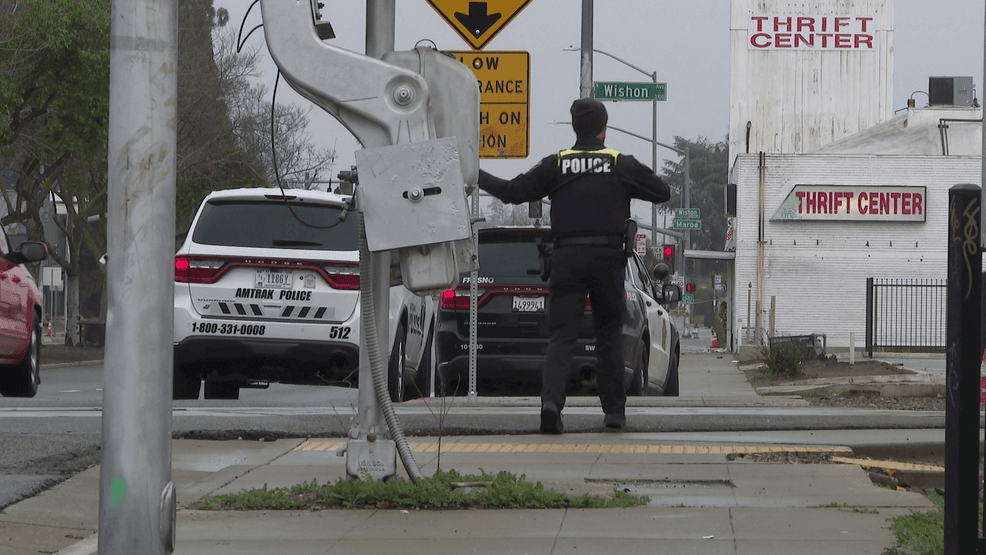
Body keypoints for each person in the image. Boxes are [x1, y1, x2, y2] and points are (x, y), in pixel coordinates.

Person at [477, 98, 671, 433]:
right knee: (609, 335)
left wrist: (474, 173)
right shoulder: (619, 163)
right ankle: (614, 413)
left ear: (575, 128)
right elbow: (662, 192)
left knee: (562, 336)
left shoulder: (555, 164)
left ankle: (551, 405)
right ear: (604, 129)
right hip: (608, 260)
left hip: (566, 258)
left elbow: (510, 192)